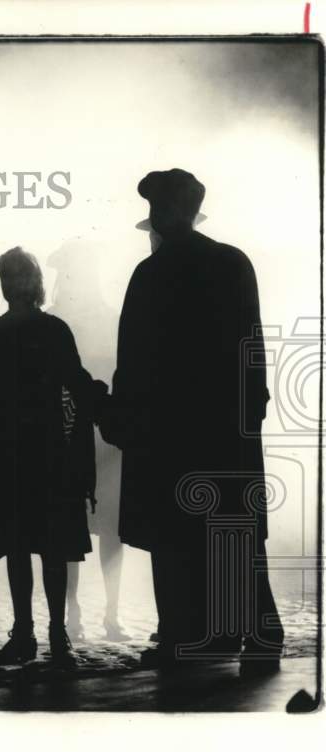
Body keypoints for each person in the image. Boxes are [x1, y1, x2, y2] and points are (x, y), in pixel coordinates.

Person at [99, 168, 283, 671]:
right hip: (224, 430)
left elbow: (133, 361)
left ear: (160, 216)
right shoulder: (231, 262)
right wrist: (249, 411)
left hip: (167, 435)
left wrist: (121, 416)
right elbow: (253, 347)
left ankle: (187, 634)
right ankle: (258, 634)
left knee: (174, 539)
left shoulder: (151, 273)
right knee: (234, 532)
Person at [0, 248, 97, 668]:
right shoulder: (54, 330)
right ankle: (56, 636)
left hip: (11, 455)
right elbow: (75, 385)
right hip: (47, 452)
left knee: (21, 548)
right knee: (49, 549)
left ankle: (27, 634)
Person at [47, 241, 129, 641]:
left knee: (112, 526)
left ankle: (111, 613)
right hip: (68, 433)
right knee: (70, 526)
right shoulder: (55, 320)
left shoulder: (110, 318)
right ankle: (72, 612)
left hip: (103, 430)